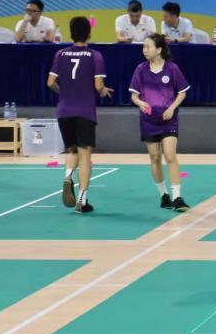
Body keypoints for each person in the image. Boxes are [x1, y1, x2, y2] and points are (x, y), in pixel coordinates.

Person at [47, 17, 113, 213]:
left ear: (71, 33)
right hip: (84, 111)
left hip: (64, 110)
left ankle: (68, 176)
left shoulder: (60, 54)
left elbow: (50, 83)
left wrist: (65, 93)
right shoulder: (95, 55)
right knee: (85, 156)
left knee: (72, 151)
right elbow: (98, 86)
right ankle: (82, 200)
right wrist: (103, 91)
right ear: (89, 34)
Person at [129, 34, 191, 211]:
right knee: (155, 157)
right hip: (148, 120)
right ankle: (164, 195)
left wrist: (172, 108)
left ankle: (177, 198)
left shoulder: (172, 68)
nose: (144, 50)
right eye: (144, 47)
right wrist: (140, 103)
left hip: (168, 120)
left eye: (148, 47)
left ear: (158, 49)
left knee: (170, 155)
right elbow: (134, 95)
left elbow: (182, 92)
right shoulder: (141, 69)